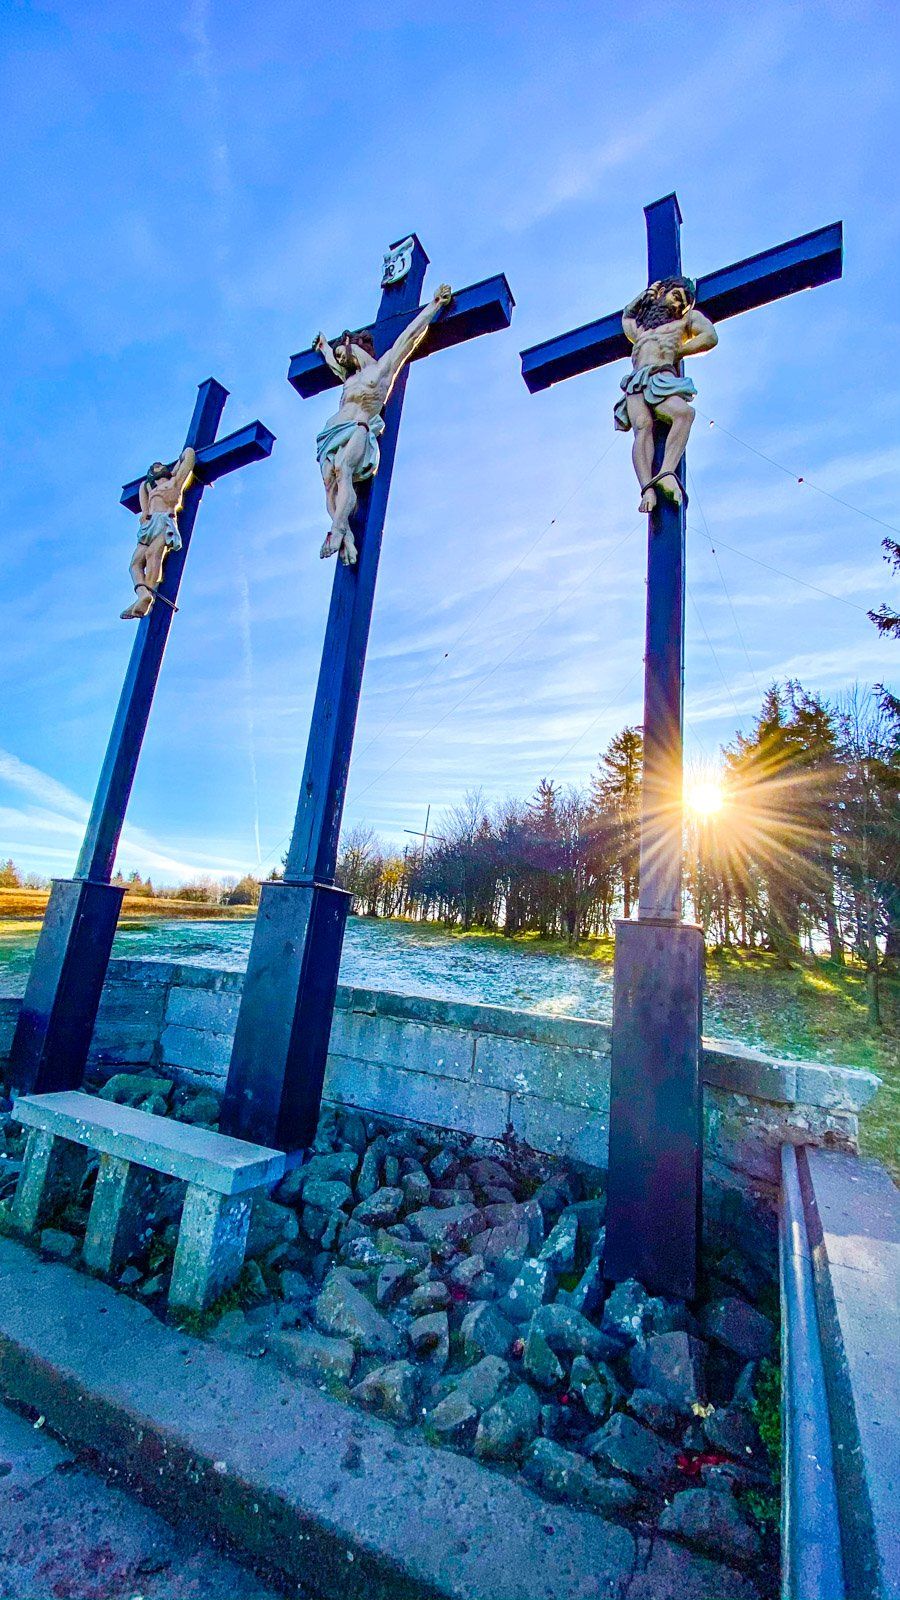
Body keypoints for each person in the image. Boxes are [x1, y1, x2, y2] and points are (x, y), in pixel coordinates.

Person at [312, 283, 452, 565]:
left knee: (344, 470)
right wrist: (325, 348)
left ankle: (338, 529)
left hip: (361, 424)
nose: (340, 359)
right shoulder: (349, 379)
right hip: (331, 433)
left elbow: (409, 338)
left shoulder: (383, 368)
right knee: (330, 484)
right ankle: (347, 537)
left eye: (343, 353)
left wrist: (435, 305)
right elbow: (332, 362)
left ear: (354, 348)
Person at [614, 276, 717, 513]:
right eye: (676, 296)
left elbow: (710, 336)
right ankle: (647, 489)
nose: (678, 305)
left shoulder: (684, 322)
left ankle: (666, 472)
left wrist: (681, 349)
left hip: (663, 377)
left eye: (683, 302)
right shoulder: (641, 330)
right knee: (642, 427)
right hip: (637, 381)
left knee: (683, 414)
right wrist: (645, 295)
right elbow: (627, 315)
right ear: (662, 293)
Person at [121, 448, 196, 619]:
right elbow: (143, 491)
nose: (157, 466)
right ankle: (143, 595)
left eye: (159, 466)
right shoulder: (150, 489)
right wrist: (145, 514)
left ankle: (148, 592)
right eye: (154, 467)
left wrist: (181, 459)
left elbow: (189, 456)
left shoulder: (176, 482)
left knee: (153, 554)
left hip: (165, 520)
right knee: (135, 564)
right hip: (149, 525)